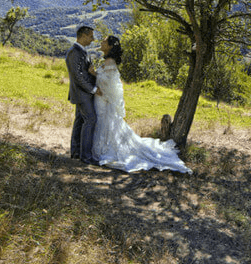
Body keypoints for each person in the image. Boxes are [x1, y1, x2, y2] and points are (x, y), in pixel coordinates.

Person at [90, 35, 192, 174]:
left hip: (104, 100)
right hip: (102, 100)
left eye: (104, 41)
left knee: (106, 125)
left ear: (109, 46)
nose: (101, 42)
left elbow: (109, 85)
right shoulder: (108, 61)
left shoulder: (109, 62)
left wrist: (94, 75)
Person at [67, 25, 100, 165]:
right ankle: (86, 157)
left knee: (80, 121)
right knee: (90, 120)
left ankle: (76, 153)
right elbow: (78, 77)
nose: (93, 39)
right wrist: (93, 90)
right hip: (82, 94)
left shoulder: (82, 51)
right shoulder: (74, 52)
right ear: (83, 36)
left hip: (84, 93)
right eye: (91, 36)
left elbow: (85, 72)